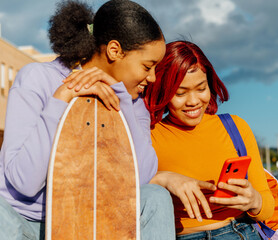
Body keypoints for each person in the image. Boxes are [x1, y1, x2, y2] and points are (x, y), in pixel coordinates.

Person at [0, 0, 175, 239]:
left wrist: (122, 102)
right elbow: (25, 183)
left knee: (155, 196)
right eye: (148, 66)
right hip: (25, 222)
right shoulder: (37, 78)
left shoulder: (134, 102)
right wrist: (61, 100)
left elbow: (141, 180)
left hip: (88, 221)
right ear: (115, 51)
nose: (153, 78)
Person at [145, 41, 275, 239]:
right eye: (180, 93)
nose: (193, 101)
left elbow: (267, 207)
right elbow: (124, 190)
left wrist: (254, 201)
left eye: (201, 88)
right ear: (162, 90)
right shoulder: (150, 135)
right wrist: (162, 179)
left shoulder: (235, 127)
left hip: (242, 231)